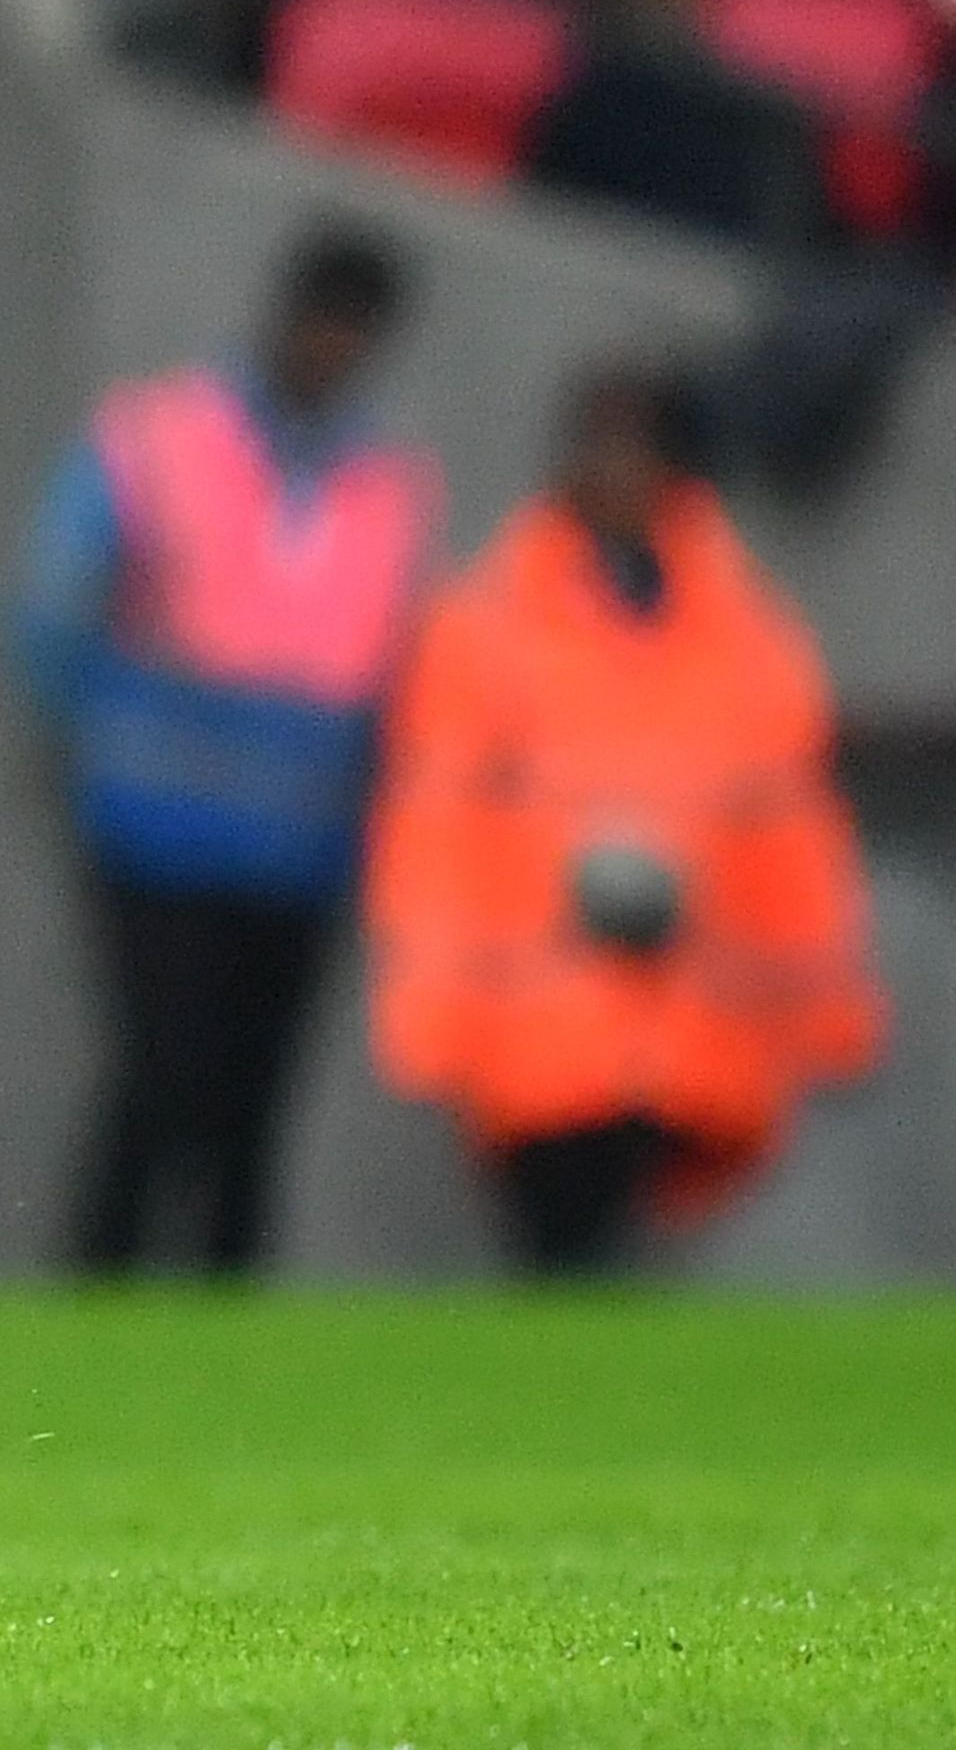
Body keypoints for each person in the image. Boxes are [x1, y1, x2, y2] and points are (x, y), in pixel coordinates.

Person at [366, 366, 883, 1275]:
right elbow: (439, 834)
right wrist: (432, 1012)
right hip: (541, 1002)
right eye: (594, 444)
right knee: (561, 1236)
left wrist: (825, 1011)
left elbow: (791, 838)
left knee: (633, 1247)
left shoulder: (746, 633)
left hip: (688, 999)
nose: (611, 469)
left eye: (634, 446)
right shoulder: (491, 620)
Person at [12, 225, 437, 1276]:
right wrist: (90, 744)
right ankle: (101, 1291)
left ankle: (222, 1329)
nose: (335, 349)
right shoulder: (158, 435)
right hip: (154, 822)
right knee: (162, 1077)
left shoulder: (385, 482)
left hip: (301, 841)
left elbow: (401, 660)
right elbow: (52, 607)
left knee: (254, 1106)